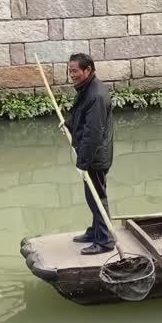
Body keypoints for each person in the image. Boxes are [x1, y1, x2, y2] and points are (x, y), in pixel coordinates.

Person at [61, 53, 115, 255]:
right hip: (91, 154)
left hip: (95, 156)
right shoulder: (86, 89)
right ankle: (95, 232)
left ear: (88, 70)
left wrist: (82, 162)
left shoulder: (97, 95)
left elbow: (93, 133)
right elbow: (81, 117)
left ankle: (105, 241)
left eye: (74, 71)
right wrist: (68, 125)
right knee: (92, 195)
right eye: (70, 71)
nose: (71, 75)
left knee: (97, 196)